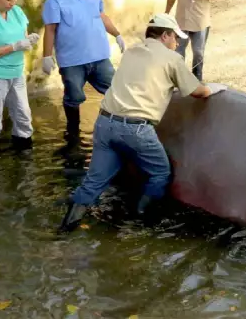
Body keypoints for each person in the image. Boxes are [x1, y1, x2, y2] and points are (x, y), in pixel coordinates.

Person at [58, 13, 226, 233]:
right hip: (135, 129)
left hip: (104, 123)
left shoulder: (131, 52)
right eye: (176, 38)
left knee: (93, 183)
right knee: (159, 173)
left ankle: (64, 231)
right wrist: (216, 87)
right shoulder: (171, 58)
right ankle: (139, 223)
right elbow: (198, 92)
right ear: (165, 35)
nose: (177, 43)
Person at [41, 0, 125, 143]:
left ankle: (120, 127)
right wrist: (46, 56)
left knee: (116, 90)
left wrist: (117, 35)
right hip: (72, 61)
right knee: (74, 97)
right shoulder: (55, 0)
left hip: (99, 57)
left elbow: (102, 16)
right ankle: (73, 132)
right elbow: (50, 29)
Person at [0, 0, 40, 151]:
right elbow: (14, 45)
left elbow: (23, 34)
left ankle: (23, 156)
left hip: (17, 72)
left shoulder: (17, 12)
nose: (12, 3)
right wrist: (14, 46)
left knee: (24, 116)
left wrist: (28, 40)